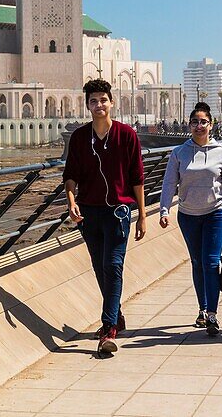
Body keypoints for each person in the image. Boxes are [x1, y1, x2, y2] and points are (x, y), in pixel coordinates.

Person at [63, 78, 147, 355]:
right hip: (88, 213)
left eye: (103, 100)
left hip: (119, 212)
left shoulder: (126, 135)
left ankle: (108, 328)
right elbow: (71, 176)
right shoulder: (79, 138)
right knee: (100, 267)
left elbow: (137, 178)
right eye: (93, 101)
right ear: (87, 105)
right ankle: (117, 314)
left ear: (112, 102)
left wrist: (143, 215)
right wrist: (72, 202)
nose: (98, 105)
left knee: (113, 265)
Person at [159, 102, 222, 336]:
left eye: (203, 122)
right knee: (197, 262)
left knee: (211, 262)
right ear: (189, 125)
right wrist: (164, 210)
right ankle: (202, 309)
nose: (199, 126)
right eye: (194, 122)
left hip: (217, 213)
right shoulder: (179, 153)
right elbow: (168, 183)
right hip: (188, 216)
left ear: (211, 125)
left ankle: (213, 314)